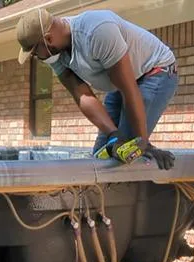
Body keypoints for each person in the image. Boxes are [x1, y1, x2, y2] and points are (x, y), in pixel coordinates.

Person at [16, 8, 177, 170]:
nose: (37, 58)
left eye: (35, 53)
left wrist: (141, 141)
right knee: (102, 154)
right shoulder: (56, 54)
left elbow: (129, 89)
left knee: (125, 155)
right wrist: (113, 135)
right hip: (121, 83)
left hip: (154, 72)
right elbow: (82, 95)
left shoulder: (97, 31)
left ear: (48, 39)